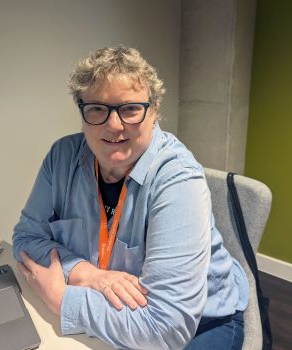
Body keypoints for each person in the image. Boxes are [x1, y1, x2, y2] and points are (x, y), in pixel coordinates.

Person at [13, 46, 249, 350]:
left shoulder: (178, 178)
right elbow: (26, 238)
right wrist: (87, 274)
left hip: (203, 321)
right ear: (81, 111)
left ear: (153, 111)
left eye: (130, 108)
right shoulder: (62, 157)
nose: (114, 125)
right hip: (117, 308)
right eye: (97, 108)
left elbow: (166, 329)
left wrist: (61, 298)